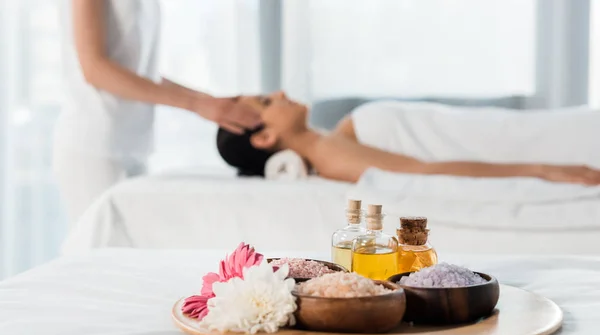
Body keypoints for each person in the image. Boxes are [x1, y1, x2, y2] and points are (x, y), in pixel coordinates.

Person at [53, 0, 262, 225]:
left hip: (133, 145)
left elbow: (141, 76)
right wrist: (198, 104)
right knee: (101, 251)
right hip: (93, 145)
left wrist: (211, 103)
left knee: (133, 252)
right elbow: (95, 69)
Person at [216, 92, 600, 185]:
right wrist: (542, 168)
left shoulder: (331, 141)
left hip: (504, 129)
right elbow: (426, 170)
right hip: (521, 140)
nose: (281, 94)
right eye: (268, 101)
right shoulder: (328, 154)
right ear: (265, 137)